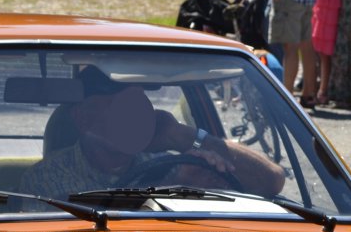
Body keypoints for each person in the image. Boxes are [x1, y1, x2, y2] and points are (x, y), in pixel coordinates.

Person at [24, 70, 286, 202]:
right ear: (82, 118)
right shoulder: (45, 180)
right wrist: (171, 192)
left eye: (140, 101)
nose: (137, 113)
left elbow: (271, 181)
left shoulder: (171, 162)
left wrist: (182, 135)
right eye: (119, 104)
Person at [311, 0, 347, 106]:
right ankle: (320, 85)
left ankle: (323, 90)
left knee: (325, 54)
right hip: (323, 7)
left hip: (329, 9)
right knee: (320, 51)